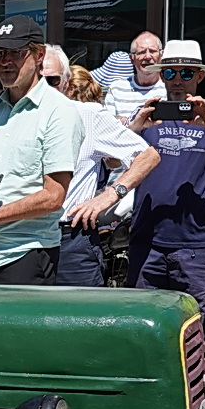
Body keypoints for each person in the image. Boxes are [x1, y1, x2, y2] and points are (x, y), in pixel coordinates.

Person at [102, 40, 205, 349]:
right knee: (143, 319)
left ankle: (199, 382)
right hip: (147, 236)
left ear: (200, 76)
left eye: (186, 72)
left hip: (196, 240)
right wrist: (135, 127)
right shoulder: (148, 115)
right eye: (171, 72)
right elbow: (109, 160)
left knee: (200, 322)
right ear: (161, 76)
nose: (178, 79)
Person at [0, 16, 85, 285]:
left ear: (39, 55)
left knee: (15, 329)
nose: (5, 61)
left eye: (15, 53)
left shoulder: (59, 112)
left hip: (25, 252)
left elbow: (53, 196)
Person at [60, 64, 160, 287]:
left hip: (71, 235)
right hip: (22, 236)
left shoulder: (89, 114)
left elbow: (146, 156)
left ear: (66, 85)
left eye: (53, 81)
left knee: (78, 317)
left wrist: (111, 194)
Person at [103, 31, 166, 123]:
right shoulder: (117, 88)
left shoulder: (169, 88)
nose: (148, 57)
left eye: (152, 51)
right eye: (141, 52)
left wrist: (124, 121)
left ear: (161, 55)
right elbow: (107, 124)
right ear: (131, 58)